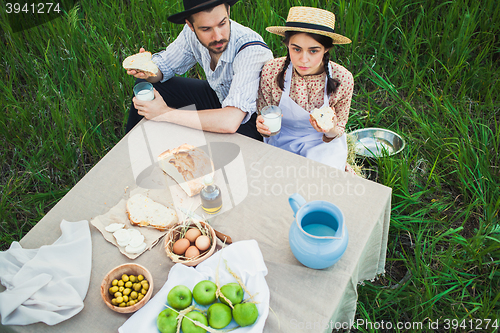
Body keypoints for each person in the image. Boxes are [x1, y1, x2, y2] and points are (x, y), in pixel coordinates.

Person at [125, 0, 273, 140]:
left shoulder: (251, 50)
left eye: (222, 24)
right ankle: (132, 145)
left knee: (211, 145)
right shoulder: (191, 34)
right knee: (147, 85)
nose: (218, 36)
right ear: (190, 25)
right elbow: (164, 66)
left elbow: (231, 121)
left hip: (253, 121)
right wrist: (147, 70)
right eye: (206, 29)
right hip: (221, 97)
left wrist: (164, 113)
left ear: (228, 11)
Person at [256, 6, 356, 173]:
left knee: (320, 180)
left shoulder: (343, 78)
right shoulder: (271, 71)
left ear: (326, 49)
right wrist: (264, 128)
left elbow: (337, 130)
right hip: (282, 139)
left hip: (322, 144)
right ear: (287, 44)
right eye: (296, 49)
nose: (303, 59)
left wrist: (329, 129)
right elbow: (265, 115)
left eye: (313, 51)